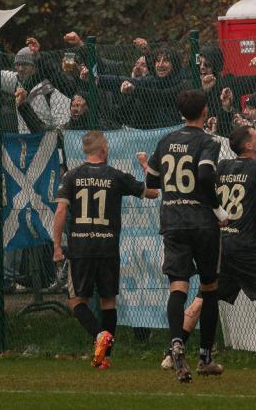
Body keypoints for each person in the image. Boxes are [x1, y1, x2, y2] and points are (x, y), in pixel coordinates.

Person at [159, 126, 256, 371]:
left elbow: (194, 183)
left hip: (219, 244)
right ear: (248, 145)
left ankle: (172, 354)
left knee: (202, 299)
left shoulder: (221, 167)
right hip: (244, 245)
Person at [51, 131, 158, 370]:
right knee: (108, 301)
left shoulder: (72, 176)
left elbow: (60, 212)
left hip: (81, 248)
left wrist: (57, 246)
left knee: (77, 301)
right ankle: (104, 356)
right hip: (108, 246)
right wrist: (144, 165)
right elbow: (153, 192)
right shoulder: (116, 176)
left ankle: (99, 336)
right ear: (103, 149)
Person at [144, 89, 226, 382]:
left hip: (173, 221)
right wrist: (218, 210)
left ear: (181, 112)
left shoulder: (166, 141)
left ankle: (176, 344)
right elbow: (205, 175)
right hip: (202, 222)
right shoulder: (208, 141)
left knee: (178, 287)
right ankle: (205, 357)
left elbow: (152, 180)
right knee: (209, 288)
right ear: (205, 110)